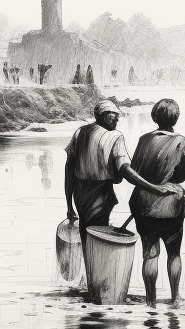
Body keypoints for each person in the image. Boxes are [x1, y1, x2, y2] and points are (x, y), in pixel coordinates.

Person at [65, 100, 169, 246]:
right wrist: (153, 187)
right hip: (100, 193)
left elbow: (69, 170)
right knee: (98, 235)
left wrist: (69, 206)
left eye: (117, 115)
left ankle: (89, 263)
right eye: (112, 115)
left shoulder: (80, 132)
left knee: (86, 230)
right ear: (100, 115)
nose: (117, 118)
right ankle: (96, 265)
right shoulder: (115, 136)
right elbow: (125, 170)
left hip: (80, 194)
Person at [129, 99, 185, 306]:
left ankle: (151, 300)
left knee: (149, 253)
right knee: (174, 253)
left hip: (143, 204)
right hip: (171, 206)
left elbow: (135, 170)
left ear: (155, 117)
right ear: (176, 118)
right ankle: (174, 297)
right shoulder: (182, 142)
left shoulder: (144, 140)